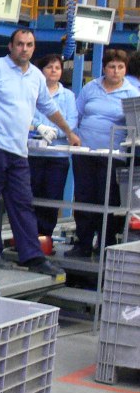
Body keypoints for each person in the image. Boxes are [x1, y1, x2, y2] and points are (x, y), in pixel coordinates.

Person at [0, 29, 78, 275]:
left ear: (34, 48)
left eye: (29, 44)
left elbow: (48, 107)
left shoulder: (36, 77)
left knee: (22, 203)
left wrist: (68, 132)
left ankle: (33, 256)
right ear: (10, 46)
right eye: (20, 44)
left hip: (18, 150)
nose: (24, 49)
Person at [68, 49, 140, 257]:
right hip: (85, 152)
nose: (116, 71)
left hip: (114, 155)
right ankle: (82, 243)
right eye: (111, 67)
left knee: (107, 199)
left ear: (125, 69)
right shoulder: (91, 87)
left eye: (120, 67)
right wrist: (74, 135)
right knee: (84, 197)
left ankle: (104, 245)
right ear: (104, 68)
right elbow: (76, 113)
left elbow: (135, 126)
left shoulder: (132, 93)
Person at [27, 53, 77, 239]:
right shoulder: (32, 92)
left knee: (52, 197)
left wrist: (55, 131)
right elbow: (26, 116)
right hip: (33, 154)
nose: (54, 71)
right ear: (41, 71)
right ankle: (27, 237)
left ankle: (45, 238)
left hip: (58, 156)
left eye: (57, 68)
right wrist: (40, 128)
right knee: (30, 197)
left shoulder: (68, 96)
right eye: (49, 67)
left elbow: (71, 122)